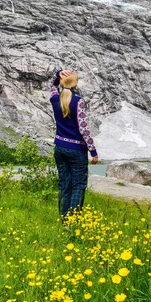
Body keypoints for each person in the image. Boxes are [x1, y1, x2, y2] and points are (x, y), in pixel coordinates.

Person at [49, 68, 98, 218]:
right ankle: (74, 220)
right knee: (78, 186)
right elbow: (83, 128)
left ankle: (64, 220)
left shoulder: (55, 98)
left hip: (60, 148)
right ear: (75, 84)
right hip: (77, 149)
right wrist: (93, 151)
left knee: (65, 185)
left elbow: (51, 85)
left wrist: (58, 73)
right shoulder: (79, 102)